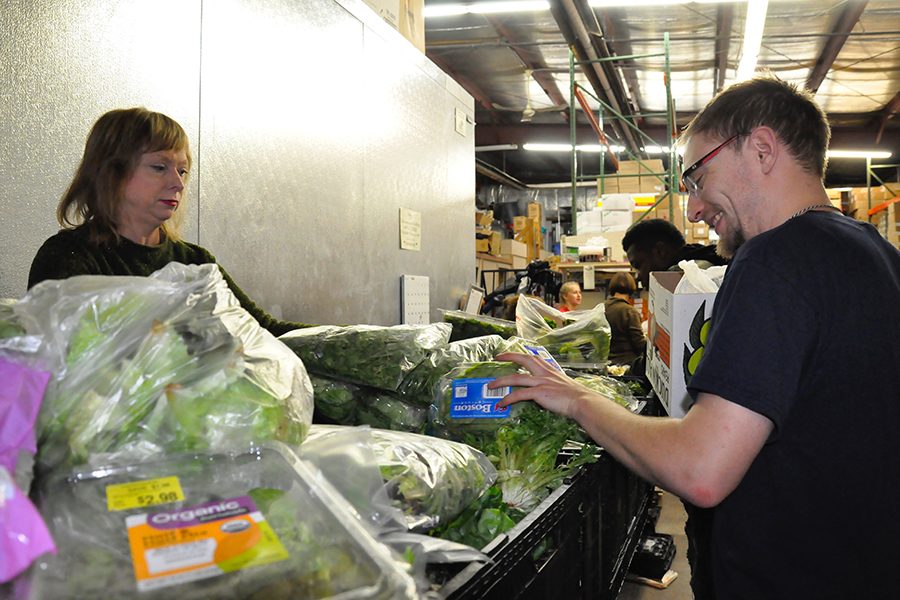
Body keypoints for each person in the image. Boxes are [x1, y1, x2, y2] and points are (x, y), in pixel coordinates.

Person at [491, 75, 900, 600]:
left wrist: (575, 398)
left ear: (761, 149)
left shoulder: (776, 259)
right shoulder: (875, 254)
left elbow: (701, 467)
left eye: (697, 178)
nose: (694, 208)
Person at [28, 107, 312, 336]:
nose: (178, 183)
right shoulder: (69, 257)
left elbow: (266, 331)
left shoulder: (195, 262)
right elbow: (59, 361)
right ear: (110, 173)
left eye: (183, 170)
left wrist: (348, 338)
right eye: (159, 167)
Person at [622, 218, 728, 289]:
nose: (638, 276)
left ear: (660, 251)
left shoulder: (687, 279)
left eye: (638, 265)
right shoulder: (706, 261)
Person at [603, 272, 646, 366]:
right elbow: (639, 344)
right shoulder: (629, 311)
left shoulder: (601, 308)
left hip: (605, 364)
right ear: (631, 287)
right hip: (626, 365)